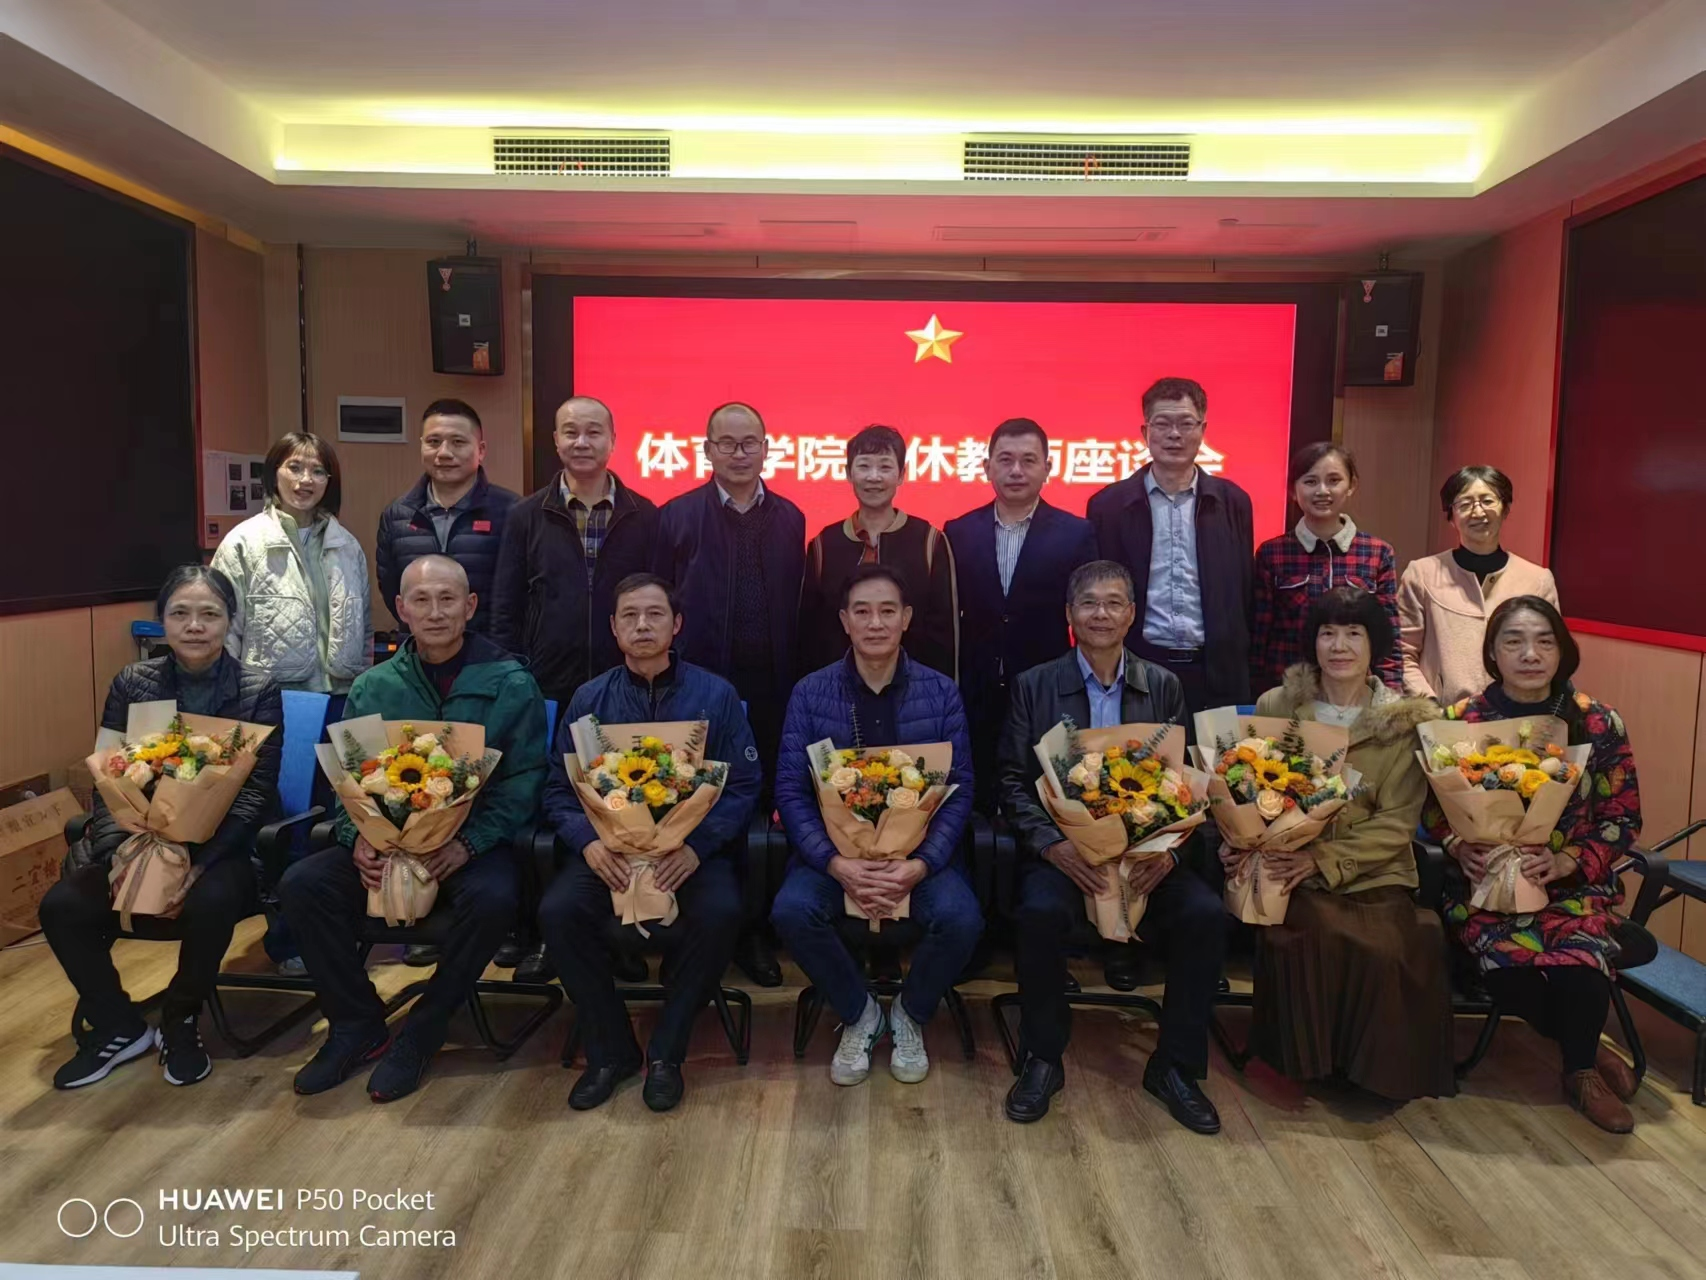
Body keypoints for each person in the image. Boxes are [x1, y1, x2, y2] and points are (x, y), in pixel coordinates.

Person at [280, 556, 545, 1103]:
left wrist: (469, 844)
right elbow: (345, 779)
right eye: (421, 600)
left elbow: (525, 781)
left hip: (470, 848)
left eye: (448, 599)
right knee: (303, 885)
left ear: (470, 606)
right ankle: (356, 1024)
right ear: (401, 609)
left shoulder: (510, 683)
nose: (435, 612)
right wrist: (357, 839)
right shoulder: (374, 686)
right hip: (386, 843)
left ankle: (425, 1028)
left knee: (496, 898)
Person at [997, 560, 1226, 1133]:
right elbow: (1012, 782)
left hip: (1149, 856)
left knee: (1203, 915)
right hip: (1066, 855)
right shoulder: (1034, 685)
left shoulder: (1164, 685)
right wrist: (1053, 846)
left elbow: (1186, 784)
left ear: (1132, 614)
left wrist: (1169, 853)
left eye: (1114, 603)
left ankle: (1175, 1067)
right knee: (1039, 912)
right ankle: (1042, 1056)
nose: (1101, 614)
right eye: (1089, 603)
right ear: (1069, 614)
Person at [41, 566, 282, 1091]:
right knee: (61, 906)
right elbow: (108, 774)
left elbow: (255, 793)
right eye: (180, 613)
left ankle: (181, 1017)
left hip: (224, 849)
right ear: (162, 622)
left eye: (209, 614)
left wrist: (199, 863)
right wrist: (117, 854)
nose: (195, 625)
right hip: (138, 839)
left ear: (230, 621)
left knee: (211, 898)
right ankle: (118, 1024)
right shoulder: (133, 683)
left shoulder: (257, 689)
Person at [538, 574, 761, 1113]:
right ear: (614, 628)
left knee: (721, 911)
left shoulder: (715, 695)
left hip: (688, 853)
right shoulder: (589, 700)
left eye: (655, 614)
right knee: (558, 912)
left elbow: (745, 787)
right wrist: (588, 844)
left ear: (676, 624)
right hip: (610, 853)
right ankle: (610, 1049)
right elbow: (558, 789)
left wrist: (698, 847)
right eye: (630, 616)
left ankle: (667, 1053)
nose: (643, 625)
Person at [1430, 596, 1644, 1133]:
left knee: (1582, 962)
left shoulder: (1597, 721)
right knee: (1509, 974)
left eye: (1544, 641)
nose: (1530, 654)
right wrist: (1457, 845)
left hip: (1569, 886)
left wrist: (1569, 859)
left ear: (1562, 651)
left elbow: (1622, 815)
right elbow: (1430, 809)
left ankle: (1580, 1075)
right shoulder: (1460, 722)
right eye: (1514, 642)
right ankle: (1586, 1043)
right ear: (1492, 653)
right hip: (1485, 887)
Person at [1234, 586, 1454, 1101]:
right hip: (1288, 862)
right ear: (1312, 642)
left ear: (1374, 644)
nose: (1339, 646)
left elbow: (1398, 822)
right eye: (1327, 633)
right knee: (1316, 931)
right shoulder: (1278, 705)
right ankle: (1310, 1062)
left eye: (1354, 633)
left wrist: (1323, 858)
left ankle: (1374, 1070)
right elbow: (1247, 786)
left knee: (1390, 946)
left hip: (1373, 870)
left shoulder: (1407, 722)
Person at [772, 564, 979, 1087]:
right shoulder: (810, 693)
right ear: (844, 621)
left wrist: (921, 864)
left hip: (918, 858)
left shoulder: (941, 692)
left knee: (961, 919)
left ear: (907, 618)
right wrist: (834, 863)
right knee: (792, 911)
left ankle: (910, 1012)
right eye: (862, 612)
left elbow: (960, 789)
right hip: (835, 857)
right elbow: (792, 791)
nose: (875, 623)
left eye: (888, 611)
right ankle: (859, 1013)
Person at [652, 401, 805, 985]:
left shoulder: (791, 518)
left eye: (749, 443)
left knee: (757, 805)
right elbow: (660, 602)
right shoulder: (676, 516)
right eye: (727, 443)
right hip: (698, 689)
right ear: (707, 449)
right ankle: (688, 924)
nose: (739, 453)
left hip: (771, 688)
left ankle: (752, 931)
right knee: (690, 803)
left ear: (766, 448)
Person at [944, 417, 1098, 811]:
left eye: (1028, 460)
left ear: (1048, 468)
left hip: (1047, 689)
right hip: (975, 689)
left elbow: (1086, 615)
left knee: (1045, 796)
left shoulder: (1076, 533)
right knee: (974, 798)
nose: (1016, 470)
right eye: (1005, 459)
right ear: (987, 467)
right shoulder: (958, 531)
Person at [1086, 377, 1254, 714]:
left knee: (1218, 750)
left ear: (1203, 430)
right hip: (1137, 670)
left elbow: (1243, 594)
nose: (1174, 434)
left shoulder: (1233, 501)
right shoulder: (1108, 506)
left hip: (1216, 673)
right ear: (1144, 432)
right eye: (1162, 423)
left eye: (1186, 423)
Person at [490, 395, 657, 705]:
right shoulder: (525, 515)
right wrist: (513, 677)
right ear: (556, 440)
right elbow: (505, 607)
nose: (581, 443)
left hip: (626, 679)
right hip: (545, 682)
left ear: (612, 440)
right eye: (571, 432)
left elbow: (659, 601)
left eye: (593, 432)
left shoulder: (644, 515)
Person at [212, 431, 371, 696]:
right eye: (294, 468)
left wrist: (361, 690)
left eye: (318, 471)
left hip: (342, 694)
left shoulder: (347, 546)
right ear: (274, 473)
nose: (306, 480)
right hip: (270, 697)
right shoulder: (243, 542)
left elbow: (364, 630)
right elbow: (224, 631)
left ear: (329, 481)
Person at [798, 424, 958, 679]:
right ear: (848, 473)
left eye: (885, 467)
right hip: (836, 691)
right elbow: (811, 633)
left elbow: (945, 634)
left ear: (901, 475)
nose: (874, 477)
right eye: (864, 466)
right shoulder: (823, 545)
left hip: (915, 690)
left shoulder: (929, 541)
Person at [1398, 465, 1558, 706]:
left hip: (1517, 715)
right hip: (1442, 716)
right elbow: (1402, 652)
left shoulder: (1538, 580)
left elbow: (1550, 652)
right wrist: (1429, 706)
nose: (1478, 512)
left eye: (1487, 501)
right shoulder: (1422, 574)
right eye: (1465, 504)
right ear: (1451, 516)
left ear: (1505, 508)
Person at [1252, 443, 1400, 695]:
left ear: (1351, 485)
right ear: (1293, 489)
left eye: (1333, 480)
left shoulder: (1377, 553)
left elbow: (1389, 636)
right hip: (1289, 695)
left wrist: (1392, 695)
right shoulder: (1272, 553)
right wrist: (1258, 696)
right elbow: (1259, 637)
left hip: (1356, 695)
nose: (1322, 491)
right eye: (1310, 481)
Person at [375, 398, 519, 636]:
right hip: (419, 651)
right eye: (433, 442)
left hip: (491, 652)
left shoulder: (513, 512)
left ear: (481, 450)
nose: (444, 453)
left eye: (458, 442)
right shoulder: (397, 515)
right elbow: (393, 591)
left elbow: (519, 596)